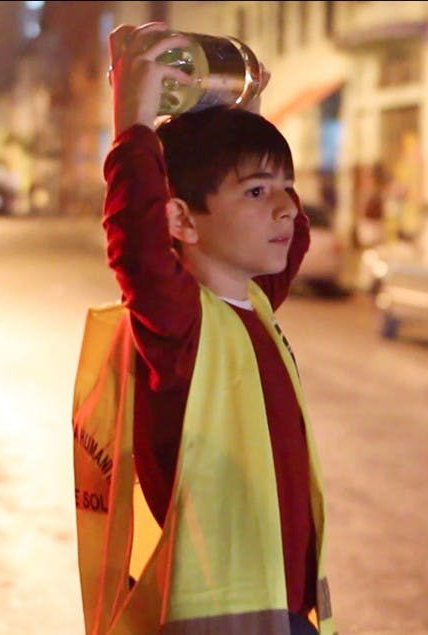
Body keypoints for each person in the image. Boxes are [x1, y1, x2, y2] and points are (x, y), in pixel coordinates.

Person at [71, 23, 337, 634]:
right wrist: (132, 128)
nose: (287, 208)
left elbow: (290, 236)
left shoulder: (253, 306)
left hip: (285, 610)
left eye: (287, 188)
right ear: (181, 221)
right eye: (256, 191)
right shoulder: (180, 325)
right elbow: (137, 243)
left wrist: (247, 115)